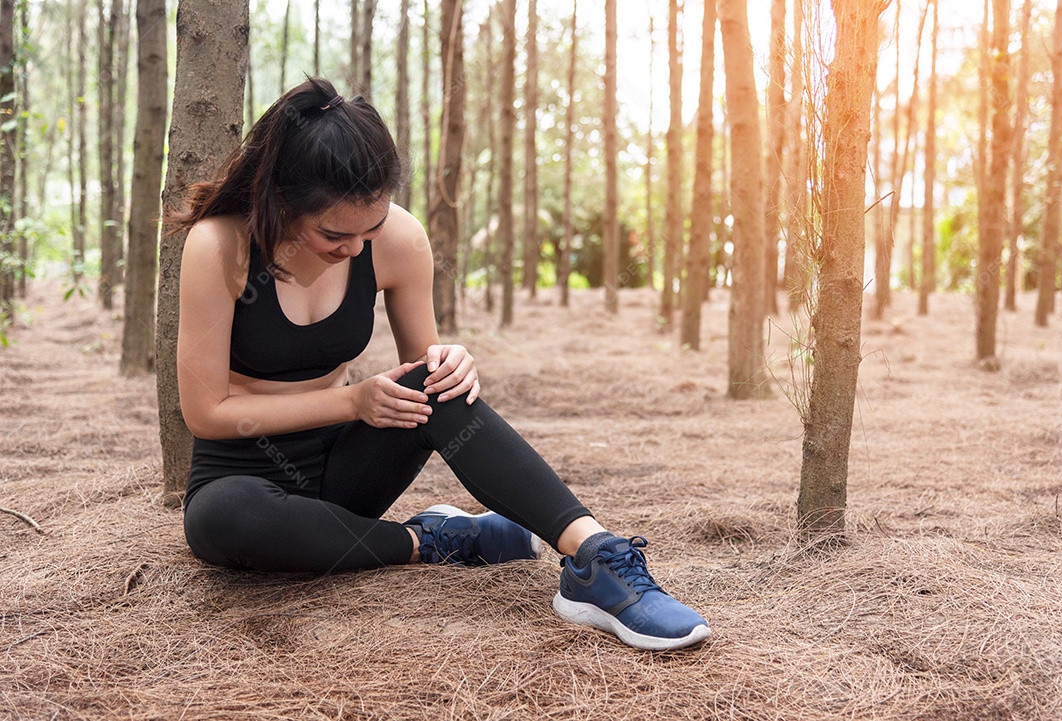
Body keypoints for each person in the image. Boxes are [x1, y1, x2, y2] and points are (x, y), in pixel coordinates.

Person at [173, 77, 710, 652]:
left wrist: (451, 363)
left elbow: (421, 374)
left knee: (436, 383)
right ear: (282, 200)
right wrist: (351, 400)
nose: (355, 249)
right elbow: (206, 412)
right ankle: (432, 541)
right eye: (333, 234)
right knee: (224, 519)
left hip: (347, 478)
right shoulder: (220, 246)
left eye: (369, 229)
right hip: (242, 478)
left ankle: (593, 556)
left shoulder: (400, 238)